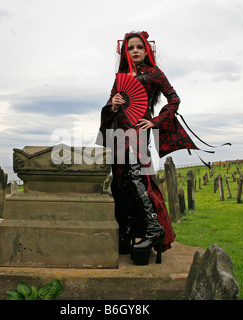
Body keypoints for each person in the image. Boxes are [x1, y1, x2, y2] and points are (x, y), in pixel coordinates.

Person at [97, 31, 198, 265]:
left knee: (137, 177)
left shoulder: (155, 73)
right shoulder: (121, 76)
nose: (134, 51)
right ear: (125, 52)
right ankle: (128, 231)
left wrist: (156, 121)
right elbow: (110, 105)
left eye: (139, 47)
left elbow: (174, 99)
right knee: (120, 184)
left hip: (139, 132)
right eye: (130, 48)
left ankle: (154, 228)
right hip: (118, 134)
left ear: (146, 50)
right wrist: (113, 105)